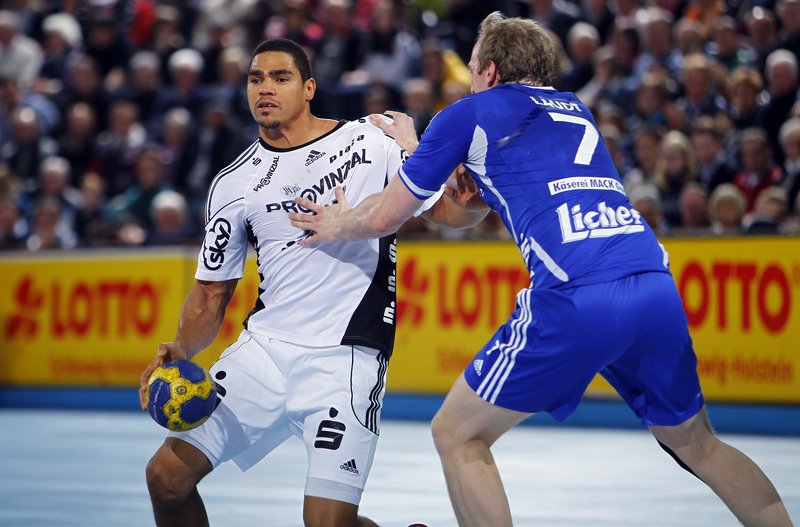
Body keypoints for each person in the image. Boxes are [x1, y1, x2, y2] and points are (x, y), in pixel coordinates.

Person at [288, 12, 794, 527]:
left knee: (458, 434)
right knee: (698, 444)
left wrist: (338, 221)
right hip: (652, 280)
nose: (470, 78)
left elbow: (386, 217)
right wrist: (421, 151)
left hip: (579, 293)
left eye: (472, 68)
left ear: (489, 69)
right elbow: (475, 199)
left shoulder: (469, 113)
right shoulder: (575, 109)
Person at [138, 37, 484, 527]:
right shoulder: (233, 183)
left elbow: (451, 213)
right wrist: (180, 347)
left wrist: (474, 198)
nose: (265, 88)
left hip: (346, 359)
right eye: (256, 79)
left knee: (326, 524)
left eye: (280, 78)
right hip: (263, 354)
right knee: (165, 479)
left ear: (309, 88)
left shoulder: (371, 143)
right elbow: (211, 294)